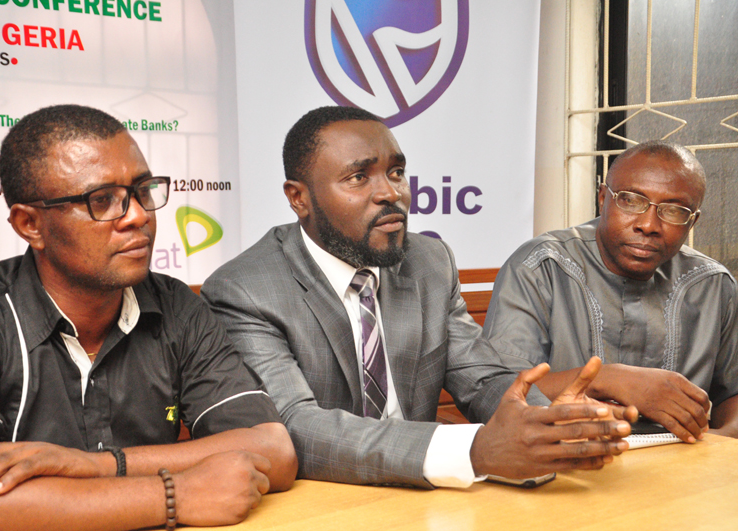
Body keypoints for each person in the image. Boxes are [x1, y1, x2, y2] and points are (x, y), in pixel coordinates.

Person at [202, 105, 635, 490]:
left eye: (395, 172)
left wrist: (545, 426)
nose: (391, 193)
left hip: (426, 497)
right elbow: (296, 427)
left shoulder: (429, 261)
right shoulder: (246, 289)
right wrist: (473, 451)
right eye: (358, 177)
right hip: (325, 503)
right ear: (299, 198)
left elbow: (481, 377)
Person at [0, 104, 297, 530]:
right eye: (102, 200)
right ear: (30, 224)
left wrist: (97, 465)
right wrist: (172, 495)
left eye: (143, 190)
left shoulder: (176, 305)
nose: (139, 215)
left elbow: (273, 450)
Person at [483, 140, 738, 443]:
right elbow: (500, 392)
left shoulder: (712, 284)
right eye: (631, 200)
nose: (648, 224)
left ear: (692, 222)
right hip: (566, 456)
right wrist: (606, 379)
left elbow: (732, 392)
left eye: (673, 210)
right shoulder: (540, 267)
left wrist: (720, 444)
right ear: (603, 198)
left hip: (683, 459)